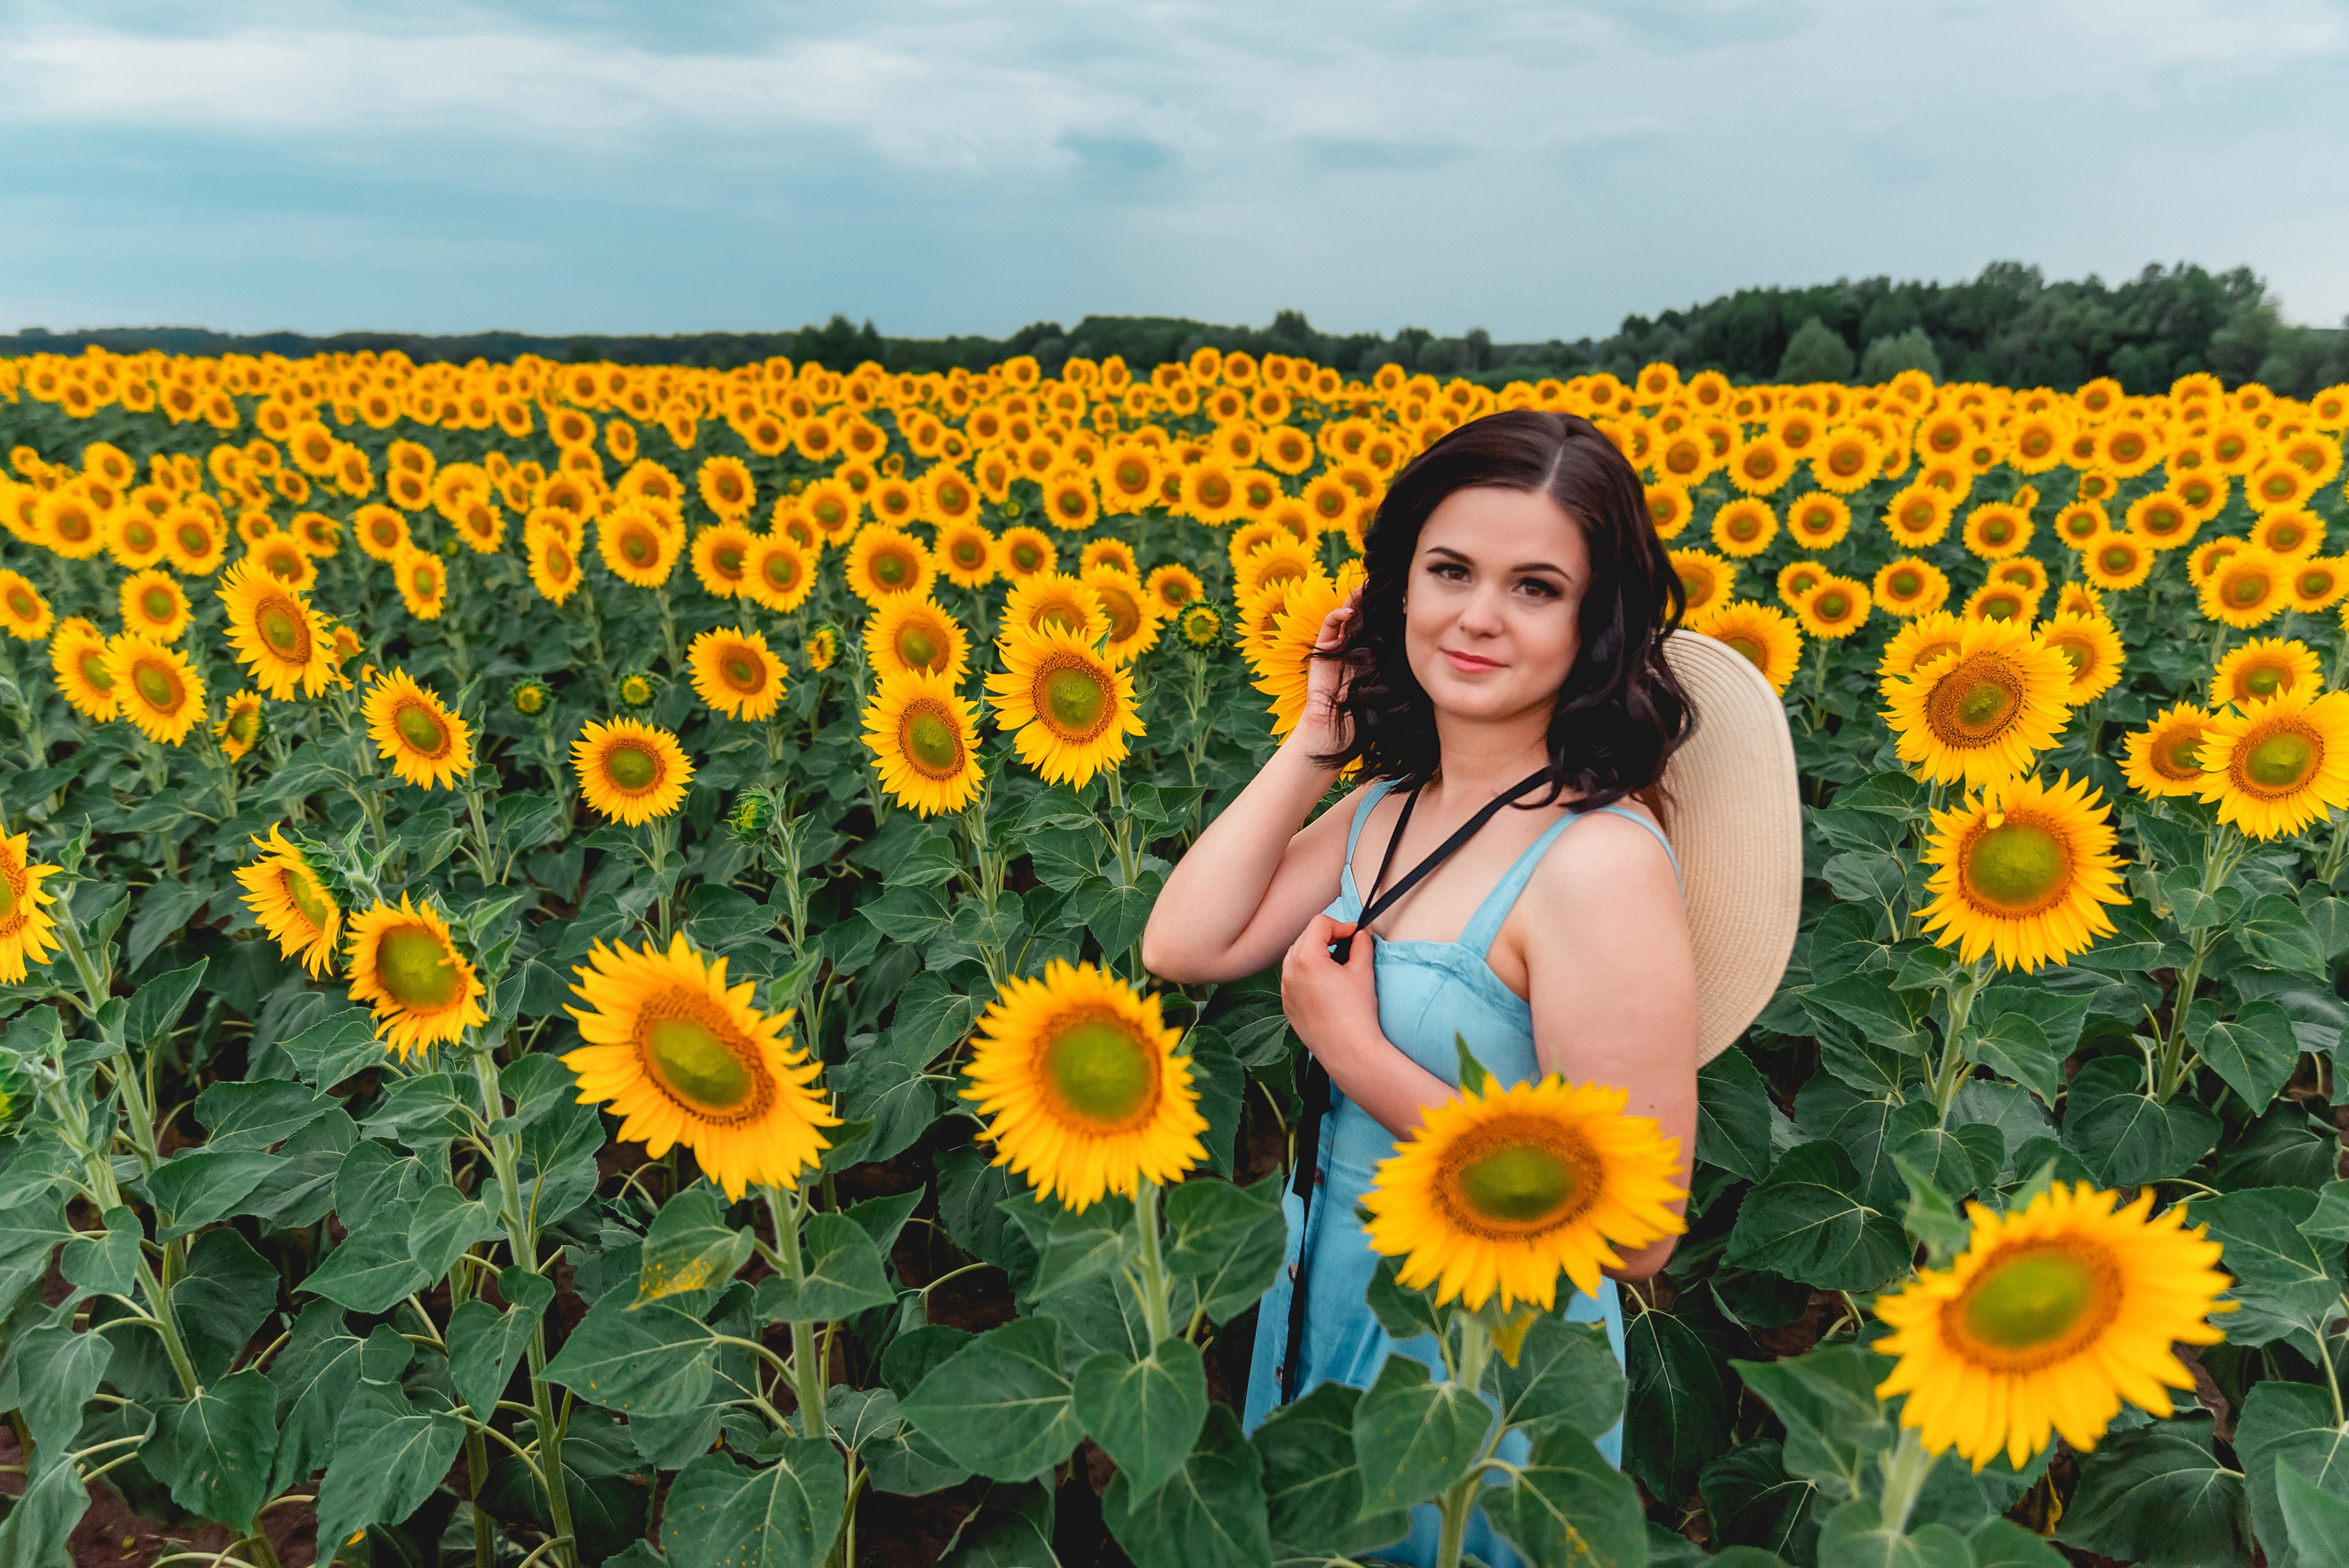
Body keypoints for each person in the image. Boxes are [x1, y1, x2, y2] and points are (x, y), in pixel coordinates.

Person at [1144, 408, 1800, 1566]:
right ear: (1395, 590)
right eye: (1448, 570)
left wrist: (1358, 1057)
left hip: (1485, 1364)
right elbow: (1183, 942)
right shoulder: (1387, 807)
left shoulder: (1594, 863)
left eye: (1535, 587)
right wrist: (1316, 736)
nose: (1478, 615)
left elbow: (1637, 1228)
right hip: (1326, 1304)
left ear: (1594, 625)